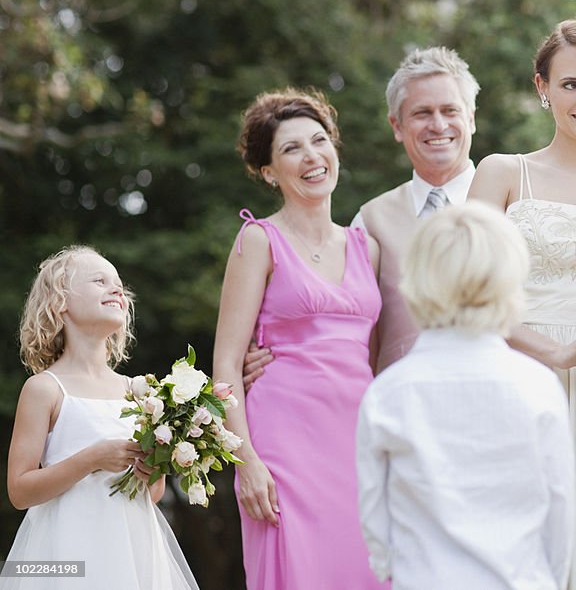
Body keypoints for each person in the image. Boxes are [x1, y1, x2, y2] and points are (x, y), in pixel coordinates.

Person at [468, 19, 576, 589]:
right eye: (570, 85)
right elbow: (466, 296)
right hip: (521, 376)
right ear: (542, 86)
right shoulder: (504, 173)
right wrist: (556, 352)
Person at [211, 88, 385, 589]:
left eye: (319, 141)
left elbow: (368, 356)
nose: (312, 157)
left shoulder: (366, 247)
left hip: (358, 444)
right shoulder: (257, 241)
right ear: (268, 171)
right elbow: (225, 367)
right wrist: (246, 463)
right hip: (283, 446)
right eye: (292, 149)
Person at [356, 202, 576, 589]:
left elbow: (376, 521)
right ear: (509, 278)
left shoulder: (387, 394)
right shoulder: (539, 387)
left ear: (419, 278)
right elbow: (560, 520)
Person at [241, 47, 479, 384]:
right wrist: (271, 356)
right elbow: (340, 331)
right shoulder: (370, 223)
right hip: (403, 415)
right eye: (422, 113)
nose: (438, 124)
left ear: (471, 117)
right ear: (397, 125)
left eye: (450, 110)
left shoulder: (513, 202)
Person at [3, 246, 198, 590]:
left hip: (133, 548)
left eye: (119, 284)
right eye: (99, 281)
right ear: (60, 302)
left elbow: (151, 494)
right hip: (68, 550)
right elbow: (19, 491)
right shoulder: (45, 390)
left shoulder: (139, 394)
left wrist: (151, 473)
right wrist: (91, 459)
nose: (117, 289)